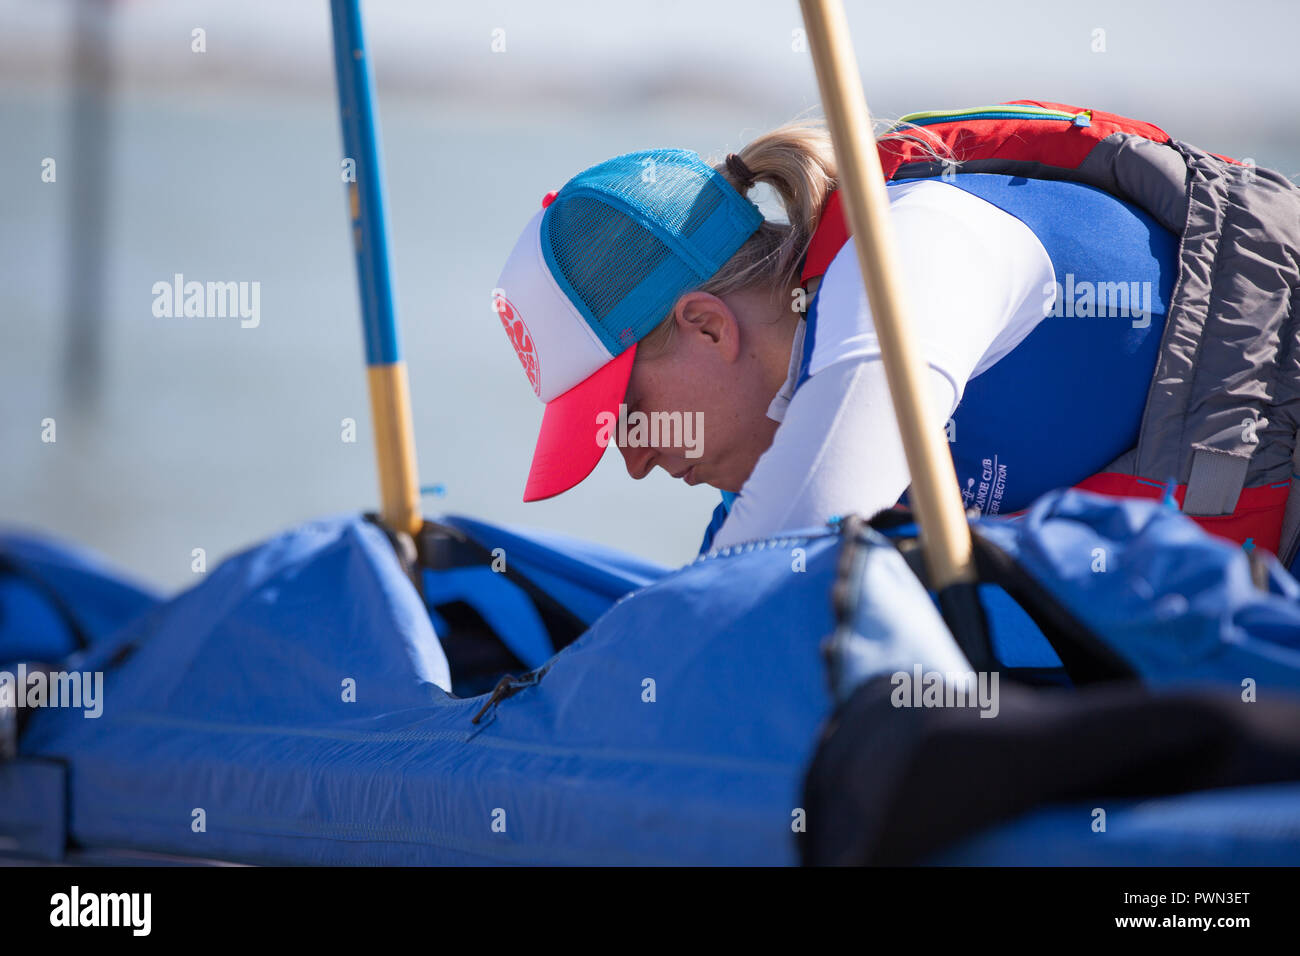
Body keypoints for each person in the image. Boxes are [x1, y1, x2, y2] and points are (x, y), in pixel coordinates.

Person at [491, 101, 1300, 563]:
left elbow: (770, 575)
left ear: (705, 327)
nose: (633, 460)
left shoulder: (913, 254)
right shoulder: (785, 428)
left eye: (628, 412)